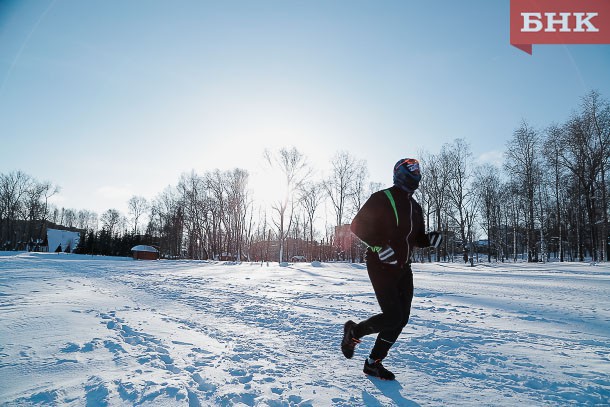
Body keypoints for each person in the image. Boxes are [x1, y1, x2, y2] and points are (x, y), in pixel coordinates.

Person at [341, 158, 442, 380]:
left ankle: (373, 363)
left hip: (404, 268)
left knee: (401, 318)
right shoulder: (382, 198)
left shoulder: (415, 207)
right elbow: (357, 225)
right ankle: (354, 332)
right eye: (411, 169)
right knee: (393, 316)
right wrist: (378, 246)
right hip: (380, 265)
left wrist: (430, 239)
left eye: (417, 169)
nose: (416, 172)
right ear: (399, 173)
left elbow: (416, 239)